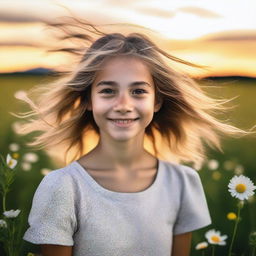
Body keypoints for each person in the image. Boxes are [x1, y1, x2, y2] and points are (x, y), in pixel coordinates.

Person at [20, 18, 246, 256]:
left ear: (157, 101)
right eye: (108, 91)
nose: (124, 105)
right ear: (87, 100)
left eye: (138, 91)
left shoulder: (182, 183)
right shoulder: (62, 187)